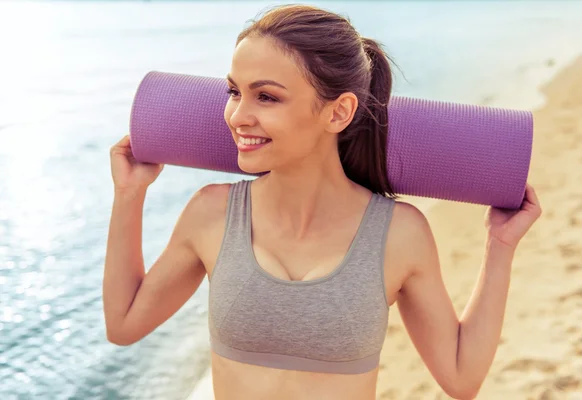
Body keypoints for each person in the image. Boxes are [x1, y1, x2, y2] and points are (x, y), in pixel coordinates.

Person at [103, 4, 542, 400]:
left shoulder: (398, 233)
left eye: (267, 96)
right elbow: (124, 324)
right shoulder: (212, 214)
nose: (238, 116)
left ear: (338, 112)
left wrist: (499, 247)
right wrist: (129, 194)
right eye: (234, 91)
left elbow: (462, 379)